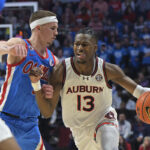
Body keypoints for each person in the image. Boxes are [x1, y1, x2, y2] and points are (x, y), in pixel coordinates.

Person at [29, 28, 150, 150]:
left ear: (95, 48)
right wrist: (36, 84)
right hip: (79, 131)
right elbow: (47, 111)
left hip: (104, 120)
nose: (80, 48)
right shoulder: (62, 70)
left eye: (85, 44)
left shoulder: (107, 69)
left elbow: (140, 91)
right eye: (77, 44)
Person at [0, 10, 58, 150]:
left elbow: (47, 102)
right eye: (52, 28)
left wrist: (48, 93)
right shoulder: (20, 44)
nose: (56, 33)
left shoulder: (53, 61)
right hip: (5, 118)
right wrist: (8, 49)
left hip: (31, 125)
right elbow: (2, 46)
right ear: (38, 28)